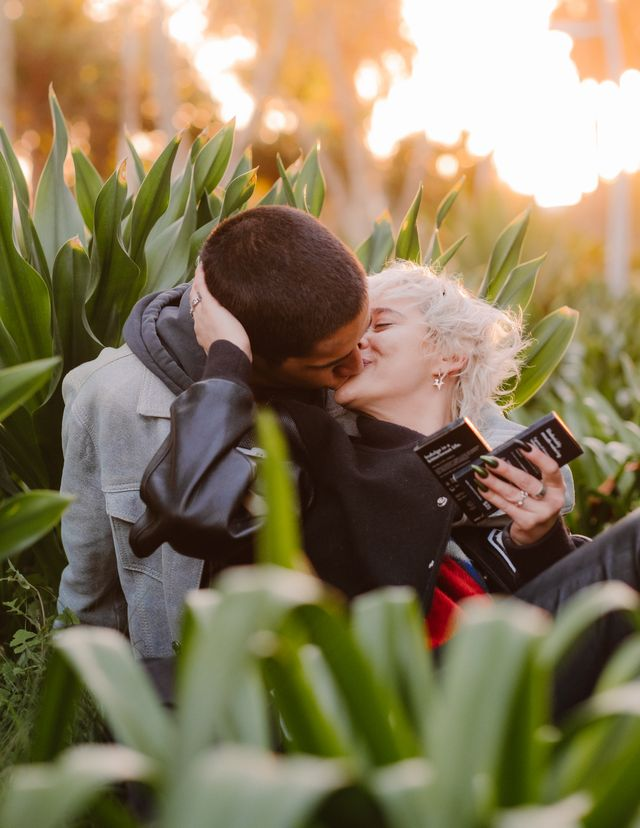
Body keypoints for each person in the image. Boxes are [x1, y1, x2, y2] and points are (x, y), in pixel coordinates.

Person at [132, 261, 640, 716]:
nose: (359, 345)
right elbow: (191, 506)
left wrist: (539, 542)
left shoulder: (495, 475)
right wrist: (227, 359)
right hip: (406, 707)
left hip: (516, 674)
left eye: (382, 324)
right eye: (351, 335)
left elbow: (582, 614)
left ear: (449, 355)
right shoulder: (309, 445)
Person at [56, 205, 370, 658]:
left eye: (363, 337)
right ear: (251, 353)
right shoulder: (108, 397)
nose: (357, 366)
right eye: (329, 364)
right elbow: (90, 587)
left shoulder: (362, 368)